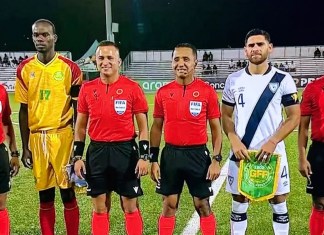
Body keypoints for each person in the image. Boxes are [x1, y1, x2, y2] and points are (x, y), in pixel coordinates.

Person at [222, 28, 300, 235]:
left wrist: (273, 141)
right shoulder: (233, 80)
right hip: (242, 152)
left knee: (278, 200)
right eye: (251, 45)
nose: (255, 48)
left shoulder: (283, 79)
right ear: (245, 50)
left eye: (260, 44)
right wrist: (234, 140)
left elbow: (294, 116)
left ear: (270, 48)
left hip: (273, 153)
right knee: (239, 200)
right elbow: (226, 116)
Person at [73, 40, 149, 235]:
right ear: (96, 61)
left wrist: (144, 156)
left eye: (109, 58)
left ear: (119, 61)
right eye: (101, 58)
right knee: (99, 207)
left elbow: (143, 126)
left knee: (130, 206)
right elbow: (80, 126)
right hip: (97, 152)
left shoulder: (133, 88)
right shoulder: (87, 89)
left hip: (125, 152)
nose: (105, 62)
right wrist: (77, 157)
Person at [15, 19, 82, 235]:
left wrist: (77, 147)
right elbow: (23, 110)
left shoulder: (70, 68)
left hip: (63, 137)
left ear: (54, 38)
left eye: (45, 35)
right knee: (45, 195)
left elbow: (79, 112)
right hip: (37, 138)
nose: (40, 39)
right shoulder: (25, 68)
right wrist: (25, 147)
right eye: (36, 35)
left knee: (67, 194)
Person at [150, 43, 222, 235]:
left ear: (195, 63)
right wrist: (153, 159)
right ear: (171, 63)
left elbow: (216, 129)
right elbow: (156, 127)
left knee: (202, 204)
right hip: (170, 155)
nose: (181, 63)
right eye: (176, 59)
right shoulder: (163, 92)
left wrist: (216, 160)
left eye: (186, 59)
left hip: (198, 155)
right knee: (169, 204)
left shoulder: (207, 91)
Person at [298, 75, 324, 234]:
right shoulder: (313, 88)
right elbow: (303, 127)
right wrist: (301, 156)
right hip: (320, 152)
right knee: (320, 202)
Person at [0, 84, 20, 235]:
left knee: (1, 204)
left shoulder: (1, 90)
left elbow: (6, 121)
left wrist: (14, 153)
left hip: (0, 151)